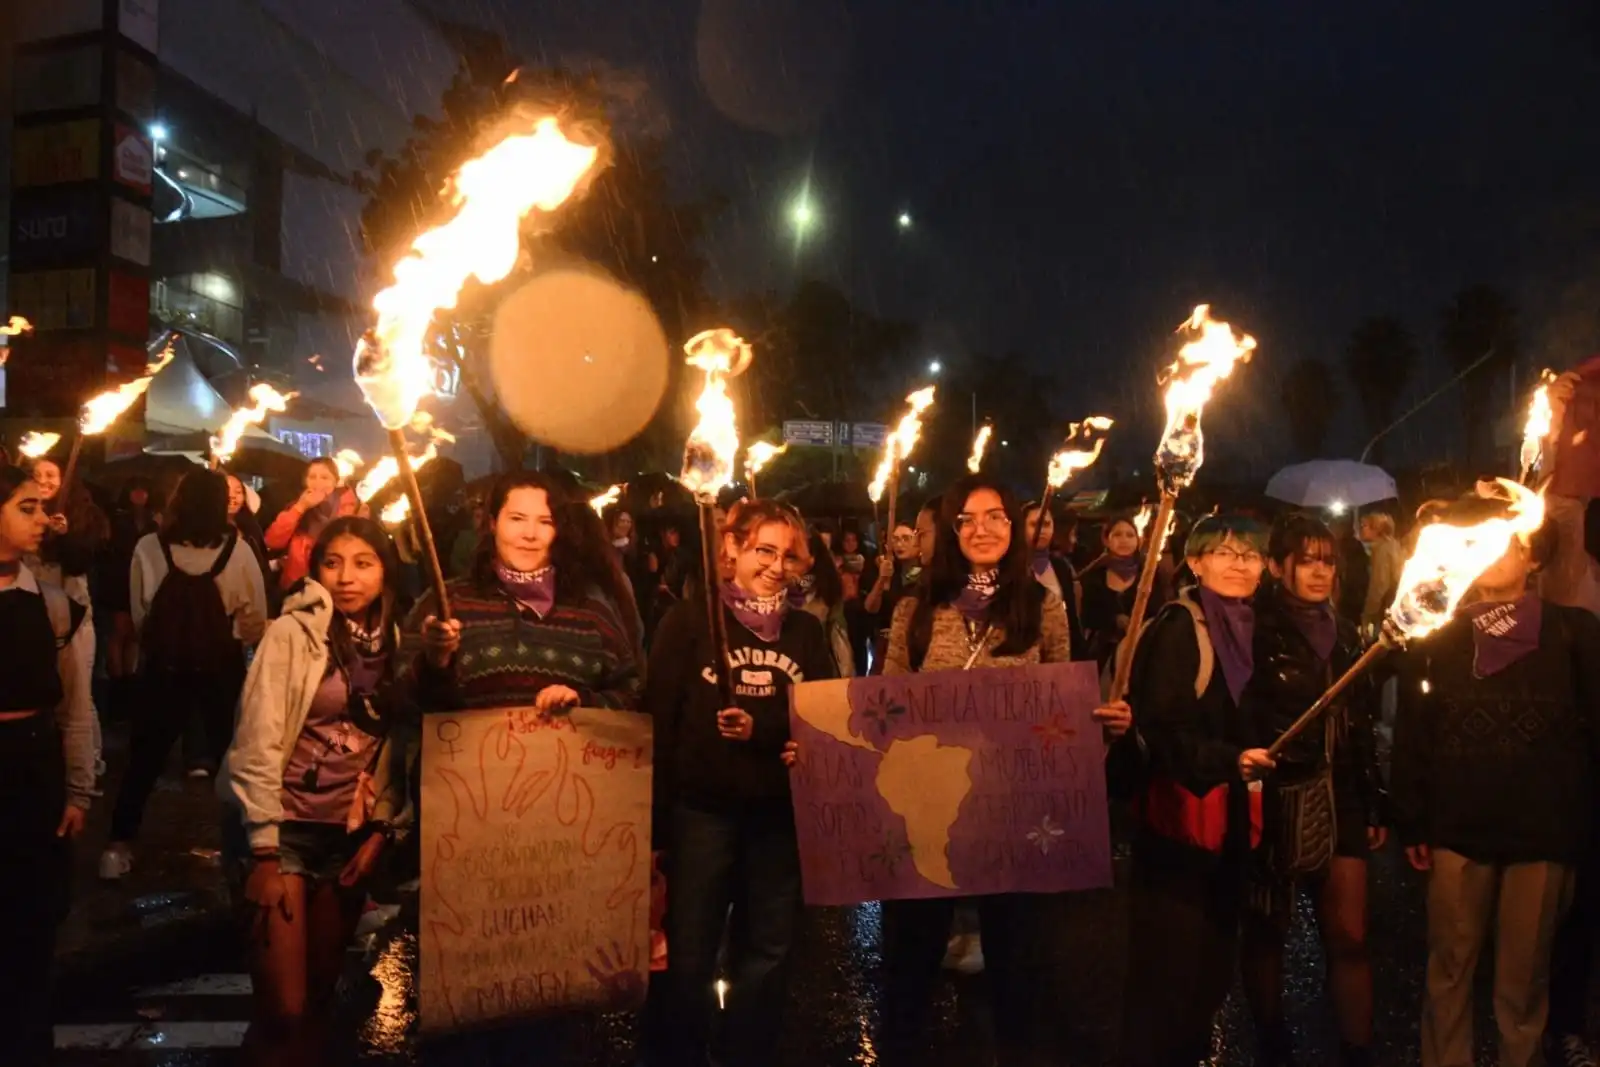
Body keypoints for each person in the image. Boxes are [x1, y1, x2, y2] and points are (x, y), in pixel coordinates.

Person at [877, 474, 1129, 1064]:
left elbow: (1062, 704)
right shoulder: (915, 608)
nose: (982, 528)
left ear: (1013, 529)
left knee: (1015, 960)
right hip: (931, 811)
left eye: (996, 517)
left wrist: (1104, 720)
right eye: (968, 518)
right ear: (951, 530)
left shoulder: (1042, 608)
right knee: (912, 958)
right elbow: (883, 704)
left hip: (1012, 812)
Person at [1392, 489, 1600, 1067]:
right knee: (1449, 972)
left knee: (1522, 985)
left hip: (1543, 833)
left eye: (1507, 541)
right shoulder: (1436, 634)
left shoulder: (1574, 632)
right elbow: (1413, 728)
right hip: (1459, 828)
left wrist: (1584, 826)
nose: (1491, 553)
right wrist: (1411, 817)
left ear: (1533, 557)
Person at [646, 499, 837, 1067]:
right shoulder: (690, 621)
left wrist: (768, 729)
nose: (775, 566)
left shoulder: (805, 631)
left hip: (777, 818)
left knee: (767, 952)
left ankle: (747, 1052)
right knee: (690, 951)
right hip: (701, 815)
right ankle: (678, 1053)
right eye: (762, 550)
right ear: (731, 550)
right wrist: (654, 829)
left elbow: (821, 716)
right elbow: (658, 719)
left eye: (787, 554)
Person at [219, 517, 414, 1067]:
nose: (347, 577)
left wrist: (383, 828)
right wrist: (260, 846)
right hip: (280, 833)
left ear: (385, 570)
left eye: (363, 563)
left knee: (321, 998)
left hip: (347, 838)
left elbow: (398, 750)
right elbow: (254, 739)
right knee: (284, 1006)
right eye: (333, 563)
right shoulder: (292, 634)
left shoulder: (400, 641)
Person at [1115, 513, 1271, 1067]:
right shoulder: (1182, 627)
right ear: (1196, 562)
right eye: (1223, 552)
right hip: (1179, 826)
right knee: (1169, 970)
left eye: (1249, 554)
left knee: (1210, 968)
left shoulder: (1255, 626)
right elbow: (1163, 729)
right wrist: (1231, 759)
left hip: (1230, 825)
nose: (1237, 563)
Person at [1239, 513, 1386, 1067]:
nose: (1320, 571)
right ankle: (1273, 1044)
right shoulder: (1251, 627)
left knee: (1349, 933)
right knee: (1267, 930)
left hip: (1340, 792)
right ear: (1279, 566)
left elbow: (1361, 723)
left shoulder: (1347, 633)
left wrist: (1373, 797)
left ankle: (1358, 1051)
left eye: (1327, 560)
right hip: (1279, 793)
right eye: (1307, 560)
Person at [100, 469, 269, 880]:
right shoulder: (239, 550)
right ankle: (247, 848)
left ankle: (117, 848)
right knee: (236, 758)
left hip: (164, 668)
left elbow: (142, 613)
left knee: (145, 758)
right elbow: (256, 619)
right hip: (221, 666)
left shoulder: (148, 548)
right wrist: (228, 637)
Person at [406, 470, 642, 714]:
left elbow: (633, 692)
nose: (530, 534)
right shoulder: (447, 604)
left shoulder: (590, 613)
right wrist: (434, 663)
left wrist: (583, 702)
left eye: (545, 522)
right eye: (517, 519)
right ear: (493, 523)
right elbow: (399, 702)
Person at [0, 465, 94, 1066]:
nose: (43, 520)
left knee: (30, 927)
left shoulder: (54, 604)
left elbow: (77, 706)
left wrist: (80, 789)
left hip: (33, 772)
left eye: (41, 508)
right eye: (26, 508)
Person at [99, 477, 161, 720]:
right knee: (119, 633)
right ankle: (118, 685)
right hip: (119, 581)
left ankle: (129, 684)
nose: (139, 495)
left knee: (134, 635)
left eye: (143, 490)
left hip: (141, 580)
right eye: (135, 490)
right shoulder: (118, 518)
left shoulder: (152, 520)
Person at [263, 458, 364, 592]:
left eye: (325, 477)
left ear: (335, 481)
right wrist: (301, 507)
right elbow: (272, 541)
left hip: (338, 585)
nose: (318, 483)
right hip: (299, 587)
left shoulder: (351, 509)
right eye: (312, 477)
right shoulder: (296, 507)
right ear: (305, 481)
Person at [1080, 513, 1167, 670]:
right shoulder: (1094, 576)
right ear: (1106, 539)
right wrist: (1114, 619)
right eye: (1117, 535)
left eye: (1130, 535)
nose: (1124, 540)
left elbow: (1160, 612)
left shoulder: (1149, 574)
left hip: (1143, 655)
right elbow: (1087, 616)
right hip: (1103, 656)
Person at [863, 500, 938, 673]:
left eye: (906, 539)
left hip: (916, 646)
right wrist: (882, 579)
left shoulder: (927, 573)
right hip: (885, 646)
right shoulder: (887, 569)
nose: (899, 544)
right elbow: (870, 607)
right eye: (895, 540)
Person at [1023, 500, 1087, 659]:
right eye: (1034, 524)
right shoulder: (1011, 568)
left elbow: (1072, 618)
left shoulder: (1060, 567)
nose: (1041, 530)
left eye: (1046, 524)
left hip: (1059, 652)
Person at [792, 530, 855, 677]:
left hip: (819, 667)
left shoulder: (827, 588)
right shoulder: (778, 586)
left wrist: (845, 675)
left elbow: (838, 634)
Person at [1357, 510, 1404, 631]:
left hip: (1387, 608)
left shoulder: (1382, 550)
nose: (1361, 529)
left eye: (1364, 526)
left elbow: (1379, 585)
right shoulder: (1391, 545)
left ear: (1377, 529)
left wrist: (1368, 615)